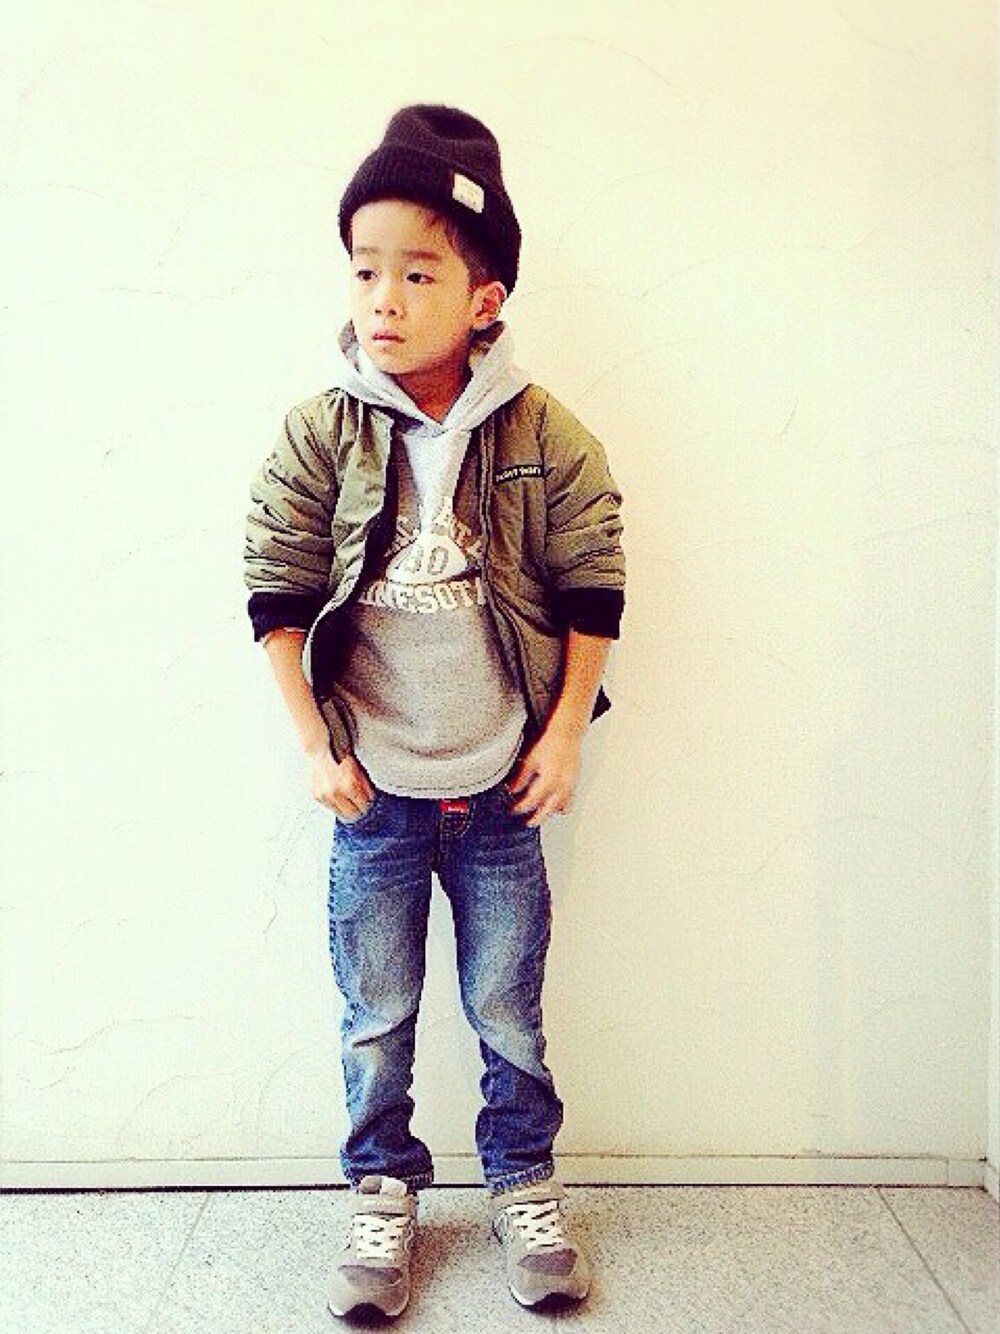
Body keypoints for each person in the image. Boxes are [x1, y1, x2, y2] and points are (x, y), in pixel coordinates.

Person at [243, 103, 625, 1320]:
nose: (385, 299)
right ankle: (382, 1190)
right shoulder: (321, 427)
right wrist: (314, 743)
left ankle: (521, 1181)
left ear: (484, 296)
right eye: (366, 270)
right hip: (376, 795)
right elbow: (275, 585)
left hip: (500, 788)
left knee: (508, 1009)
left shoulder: (543, 430)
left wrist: (561, 734)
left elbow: (593, 578)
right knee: (377, 1015)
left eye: (418, 272)